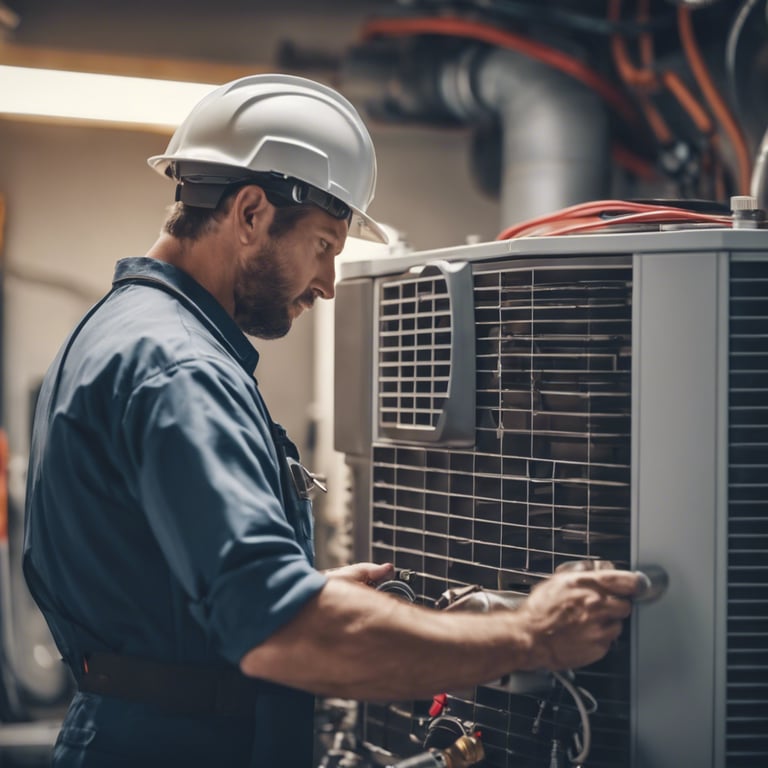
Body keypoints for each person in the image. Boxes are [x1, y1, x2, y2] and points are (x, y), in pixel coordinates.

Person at [23, 74, 641, 768]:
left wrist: (304, 592)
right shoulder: (181, 368)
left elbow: (162, 586)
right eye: (323, 245)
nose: (327, 284)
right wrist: (534, 635)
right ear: (251, 213)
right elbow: (281, 632)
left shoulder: (125, 330)